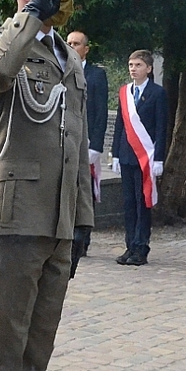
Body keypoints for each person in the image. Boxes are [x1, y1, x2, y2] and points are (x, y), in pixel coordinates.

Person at [0, 0, 93, 371]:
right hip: (15, 220)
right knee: (3, 349)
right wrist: (30, 16)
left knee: (37, 349)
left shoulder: (68, 57)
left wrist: (82, 218)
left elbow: (76, 143)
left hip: (58, 221)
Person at [110, 49, 167, 265]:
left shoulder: (157, 93)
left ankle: (141, 247)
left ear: (149, 69)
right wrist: (115, 153)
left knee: (142, 202)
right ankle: (129, 246)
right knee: (128, 203)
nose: (133, 69)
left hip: (146, 157)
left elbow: (161, 128)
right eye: (131, 65)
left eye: (138, 65)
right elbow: (119, 125)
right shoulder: (125, 92)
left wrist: (159, 158)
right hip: (126, 154)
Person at [66, 30, 109, 255]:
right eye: (69, 42)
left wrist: (97, 146)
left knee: (85, 191)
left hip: (88, 141)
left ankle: (83, 239)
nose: (72, 46)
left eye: (77, 43)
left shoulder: (96, 75)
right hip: (65, 141)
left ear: (86, 49)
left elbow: (101, 112)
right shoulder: (60, 69)